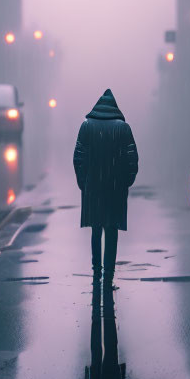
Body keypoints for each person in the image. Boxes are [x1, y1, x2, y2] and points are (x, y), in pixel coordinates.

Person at [73, 89, 139, 288]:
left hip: (93, 187)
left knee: (96, 230)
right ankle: (109, 276)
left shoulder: (86, 127)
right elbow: (132, 159)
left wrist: (83, 182)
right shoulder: (124, 128)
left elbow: (78, 158)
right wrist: (126, 181)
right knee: (111, 231)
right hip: (115, 187)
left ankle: (96, 272)